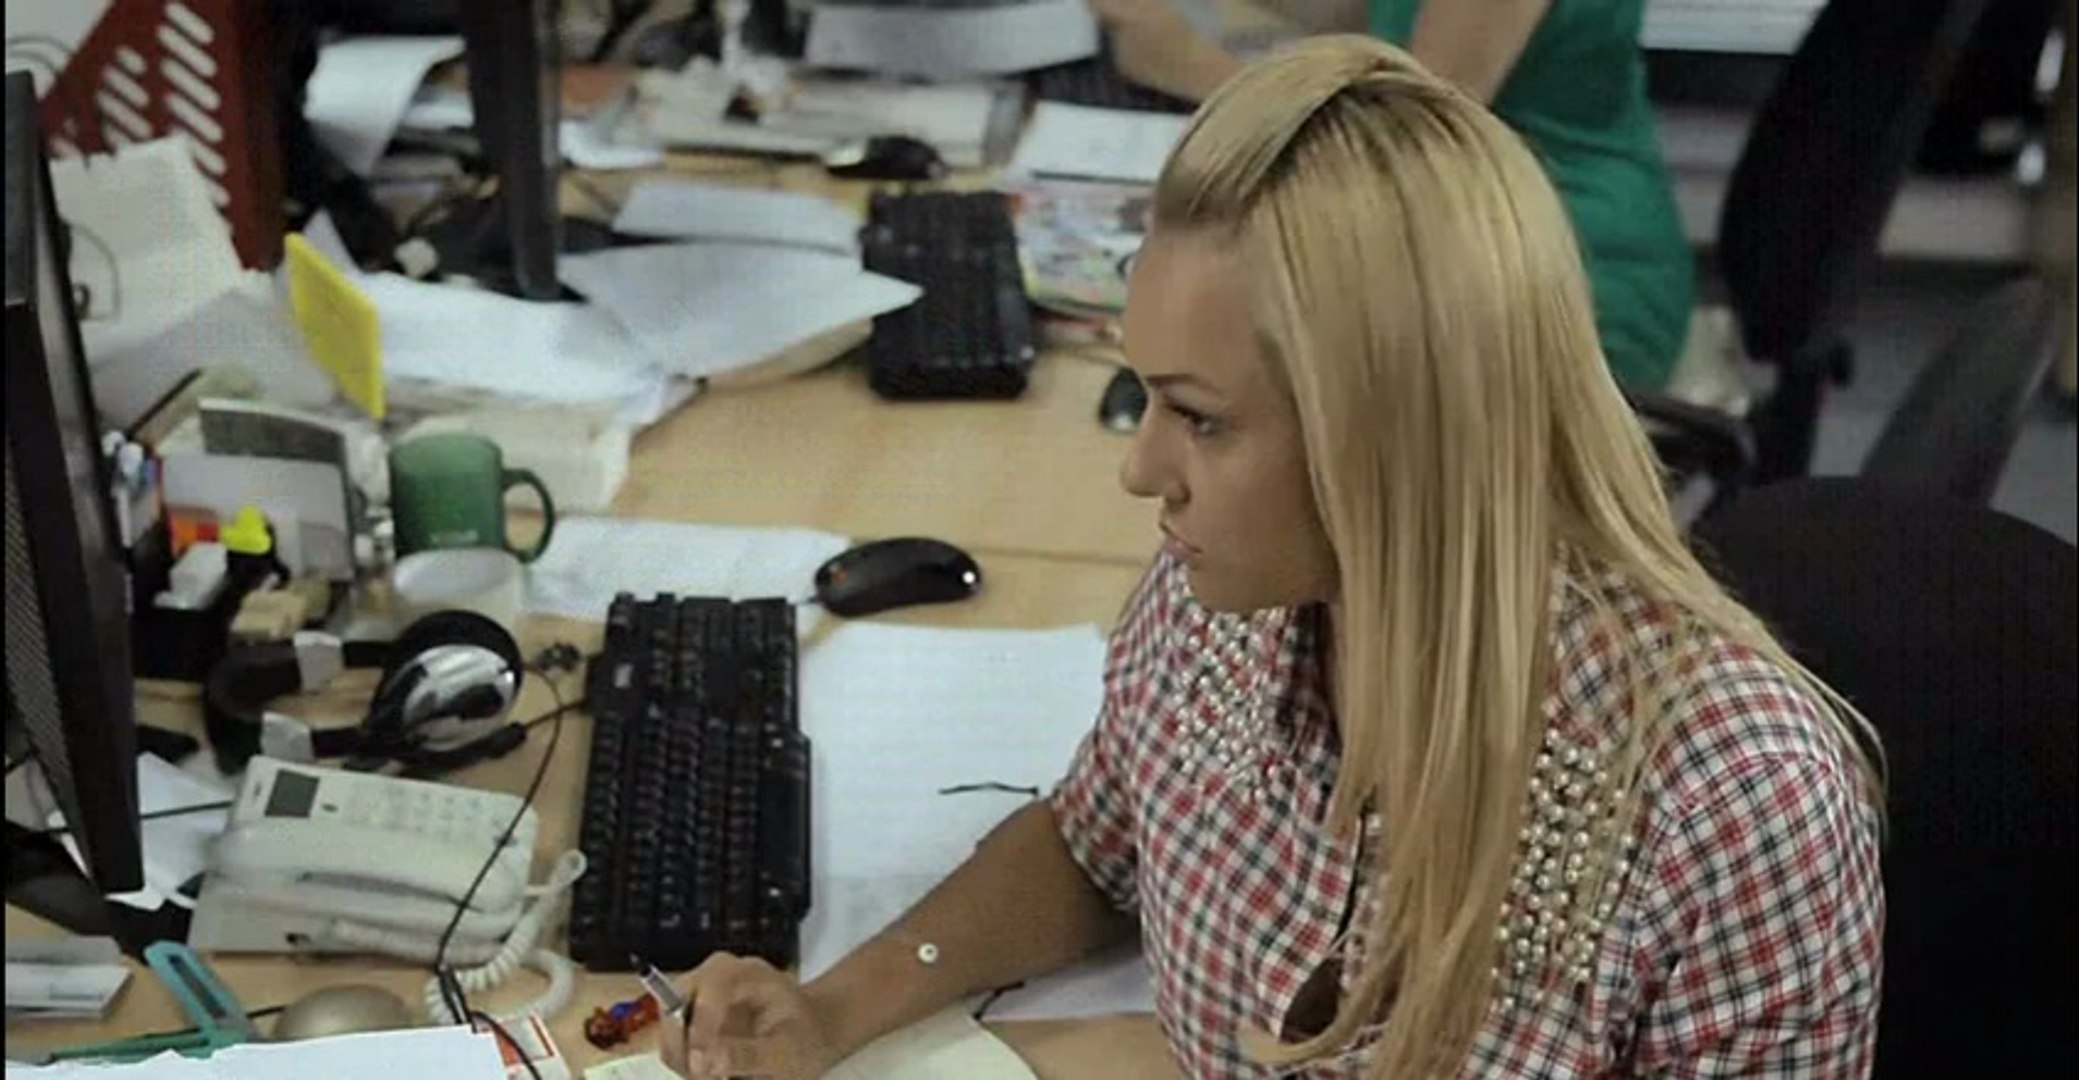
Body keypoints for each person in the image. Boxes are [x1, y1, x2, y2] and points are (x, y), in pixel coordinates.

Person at [662, 36, 1883, 1080]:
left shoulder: (1730, 809)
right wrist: (836, 1008)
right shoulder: (1226, 597)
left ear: (1391, 437)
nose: (1143, 471)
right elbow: (1096, 843)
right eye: (1148, 397)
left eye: (1201, 418)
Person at [1087, 0, 1695, 392]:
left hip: (1556, 265)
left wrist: (1192, 64)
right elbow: (1371, 18)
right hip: (1447, 233)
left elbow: (1400, 146)